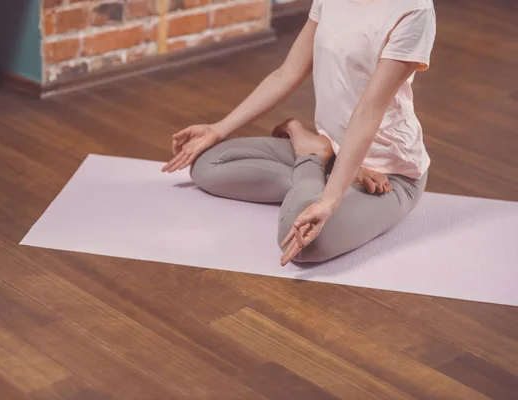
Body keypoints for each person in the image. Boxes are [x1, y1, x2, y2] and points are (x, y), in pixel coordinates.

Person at [162, 0, 436, 266]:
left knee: (307, 245)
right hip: (336, 150)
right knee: (207, 165)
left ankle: (313, 160)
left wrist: (329, 199)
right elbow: (288, 73)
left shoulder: (414, 10)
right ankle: (320, 161)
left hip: (390, 175)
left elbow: (369, 110)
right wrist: (216, 129)